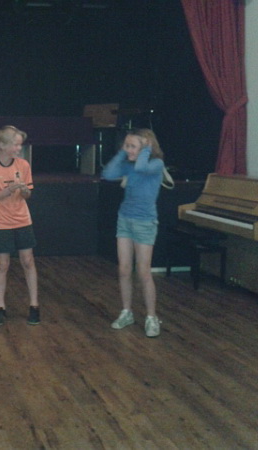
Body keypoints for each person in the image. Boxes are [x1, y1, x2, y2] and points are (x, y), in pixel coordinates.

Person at [101, 128, 165, 337]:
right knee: (124, 269)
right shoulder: (128, 164)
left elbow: (141, 167)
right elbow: (108, 174)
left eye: (132, 146)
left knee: (143, 271)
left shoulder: (156, 164)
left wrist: (145, 150)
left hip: (145, 222)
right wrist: (122, 153)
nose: (128, 149)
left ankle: (151, 317)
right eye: (126, 145)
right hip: (125, 219)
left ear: (146, 146)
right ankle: (126, 312)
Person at [0, 125, 39, 326]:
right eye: (15, 144)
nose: (18, 148)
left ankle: (34, 306)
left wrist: (23, 190)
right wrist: (8, 190)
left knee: (28, 261)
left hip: (22, 219)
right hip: (1, 222)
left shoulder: (23, 165)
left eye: (20, 145)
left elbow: (28, 194)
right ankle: (1, 307)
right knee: (2, 264)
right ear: (2, 145)